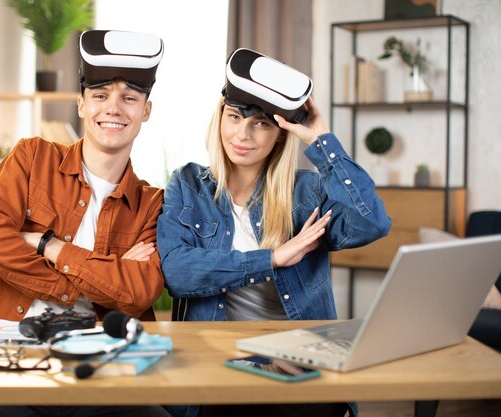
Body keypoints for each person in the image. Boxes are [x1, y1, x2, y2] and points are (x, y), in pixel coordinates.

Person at [157, 48, 392, 417]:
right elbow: (177, 273)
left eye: (262, 124)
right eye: (234, 117)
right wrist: (272, 259)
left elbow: (372, 223)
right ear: (220, 117)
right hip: (219, 367)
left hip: (296, 365)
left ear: (281, 136)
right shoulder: (187, 185)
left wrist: (322, 141)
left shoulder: (307, 193)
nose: (243, 134)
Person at [0, 29, 171, 417]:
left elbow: (140, 292)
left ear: (146, 110)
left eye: (129, 98)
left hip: (106, 367)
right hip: (17, 359)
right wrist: (93, 283)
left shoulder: (152, 203)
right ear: (80, 104)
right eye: (100, 96)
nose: (114, 108)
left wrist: (49, 246)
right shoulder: (31, 159)